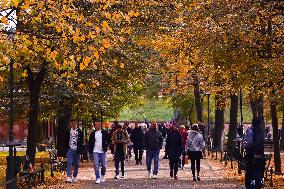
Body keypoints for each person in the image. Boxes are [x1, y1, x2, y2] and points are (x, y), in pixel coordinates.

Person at [242, 117, 265, 189]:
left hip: (250, 154)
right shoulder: (259, 131)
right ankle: (256, 185)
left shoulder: (250, 131)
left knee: (250, 171)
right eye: (261, 122)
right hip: (258, 154)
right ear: (259, 123)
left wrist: (245, 146)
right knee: (258, 171)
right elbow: (258, 142)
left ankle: (250, 185)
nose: (262, 124)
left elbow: (246, 142)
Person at [64, 119, 84, 183]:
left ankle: (75, 176)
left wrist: (80, 151)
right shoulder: (68, 131)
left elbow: (81, 142)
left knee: (76, 164)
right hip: (70, 149)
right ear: (71, 124)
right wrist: (66, 148)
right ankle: (69, 176)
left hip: (77, 150)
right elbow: (65, 140)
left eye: (75, 123)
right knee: (69, 162)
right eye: (72, 123)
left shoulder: (80, 132)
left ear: (77, 124)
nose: (73, 125)